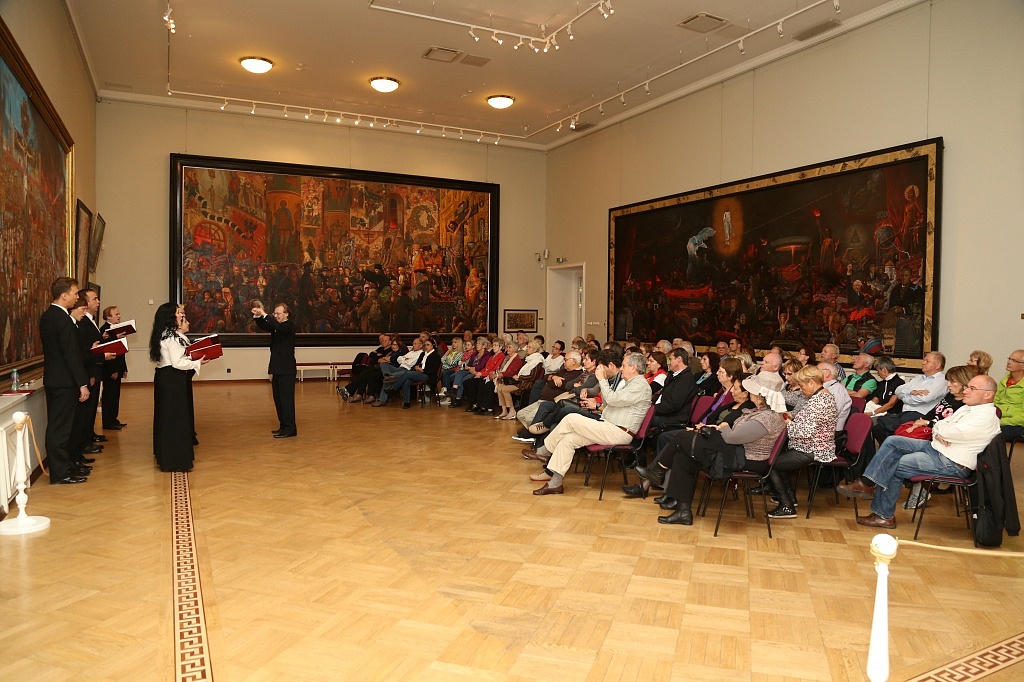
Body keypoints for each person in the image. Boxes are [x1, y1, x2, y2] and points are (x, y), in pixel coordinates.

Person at [838, 374, 1001, 529]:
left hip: (951, 463)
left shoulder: (985, 417)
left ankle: (883, 515)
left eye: (972, 388)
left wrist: (939, 430)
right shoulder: (968, 409)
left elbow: (943, 428)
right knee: (893, 441)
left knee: (892, 463)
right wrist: (939, 431)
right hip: (937, 449)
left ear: (988, 394)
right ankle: (867, 483)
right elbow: (938, 424)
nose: (966, 391)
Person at [648, 376, 786, 525]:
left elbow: (732, 437)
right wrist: (718, 428)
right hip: (735, 453)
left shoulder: (767, 417)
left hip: (746, 459)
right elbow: (736, 435)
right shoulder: (760, 412)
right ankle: (683, 511)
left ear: (759, 395)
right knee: (683, 457)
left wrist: (724, 426)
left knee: (682, 437)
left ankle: (658, 471)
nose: (749, 391)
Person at [529, 351, 651, 495]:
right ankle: (555, 484)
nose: (621, 369)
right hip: (610, 427)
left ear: (634, 367)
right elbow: (610, 403)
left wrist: (602, 379)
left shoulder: (640, 385)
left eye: (624, 366)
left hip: (619, 431)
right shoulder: (631, 383)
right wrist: (599, 398)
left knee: (571, 418)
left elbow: (612, 400)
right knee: (568, 439)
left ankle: (544, 451)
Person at [764, 365, 839, 519]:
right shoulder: (822, 397)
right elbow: (808, 422)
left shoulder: (820, 401)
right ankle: (789, 497)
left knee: (772, 463)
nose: (801, 389)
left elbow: (805, 432)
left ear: (812, 383)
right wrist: (792, 418)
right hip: (812, 445)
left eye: (802, 385)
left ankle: (787, 505)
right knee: (777, 456)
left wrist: (787, 423)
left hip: (814, 449)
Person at [40, 278, 91, 484]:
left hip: (55, 379)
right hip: (64, 382)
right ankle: (61, 474)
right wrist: (82, 383)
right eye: (75, 293)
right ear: (64, 295)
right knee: (60, 430)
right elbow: (71, 355)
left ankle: (66, 468)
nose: (77, 297)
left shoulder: (48, 316)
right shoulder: (62, 319)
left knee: (59, 427)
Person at [150, 303, 209, 472]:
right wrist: (197, 362)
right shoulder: (171, 337)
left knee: (169, 418)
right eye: (178, 313)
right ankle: (175, 460)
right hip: (172, 380)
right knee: (174, 420)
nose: (182, 315)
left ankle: (168, 457)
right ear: (170, 316)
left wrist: (194, 360)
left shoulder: (167, 334)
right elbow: (177, 363)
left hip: (168, 379)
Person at [872, 351, 947, 443]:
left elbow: (925, 398)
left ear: (937, 365)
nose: (923, 363)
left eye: (927, 361)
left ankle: (894, 444)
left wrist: (905, 398)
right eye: (924, 360)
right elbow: (898, 391)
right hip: (905, 414)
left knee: (882, 422)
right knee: (877, 428)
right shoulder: (918, 378)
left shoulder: (942, 380)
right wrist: (912, 392)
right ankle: (894, 446)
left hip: (920, 416)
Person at [251, 302, 297, 437]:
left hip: (286, 369)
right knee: (278, 400)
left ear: (286, 314)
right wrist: (258, 316)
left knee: (286, 401)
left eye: (278, 313)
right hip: (277, 368)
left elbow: (278, 327)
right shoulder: (277, 326)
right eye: (274, 313)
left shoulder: (289, 326)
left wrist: (265, 314)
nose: (276, 316)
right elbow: (265, 325)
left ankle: (290, 428)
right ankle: (283, 426)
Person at [99, 305, 129, 430]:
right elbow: (106, 350)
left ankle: (113, 419)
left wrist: (124, 368)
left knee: (115, 395)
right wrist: (113, 370)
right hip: (110, 369)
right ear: (108, 317)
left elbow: (121, 351)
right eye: (116, 314)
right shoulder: (104, 330)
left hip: (118, 368)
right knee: (109, 396)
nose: (119, 316)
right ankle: (108, 422)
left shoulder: (117, 329)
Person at [995, 350, 1024, 443]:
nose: (1009, 362)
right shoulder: (1003, 381)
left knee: (993, 435)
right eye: (1009, 359)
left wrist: (1001, 421)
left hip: (1016, 425)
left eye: (1014, 360)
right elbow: (995, 402)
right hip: (998, 420)